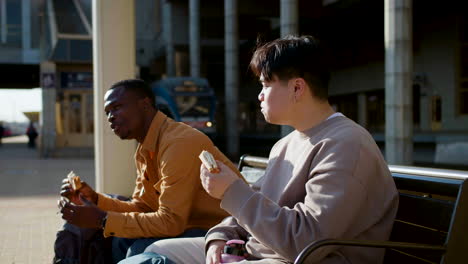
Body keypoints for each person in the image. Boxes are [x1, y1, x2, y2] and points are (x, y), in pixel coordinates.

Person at [123, 35, 399, 264]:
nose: (260, 94)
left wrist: (231, 191)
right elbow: (258, 203)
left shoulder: (347, 145)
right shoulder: (286, 144)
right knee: (155, 253)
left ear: (297, 88)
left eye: (266, 84)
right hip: (261, 252)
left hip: (300, 259)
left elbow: (306, 242)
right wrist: (219, 236)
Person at [55, 79, 243, 263]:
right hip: (190, 224)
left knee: (137, 250)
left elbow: (171, 222)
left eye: (117, 107)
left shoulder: (178, 143)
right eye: (107, 112)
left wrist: (103, 219)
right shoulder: (146, 149)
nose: (110, 117)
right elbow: (143, 207)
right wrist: (95, 199)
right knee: (121, 241)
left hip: (224, 230)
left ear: (145, 104)